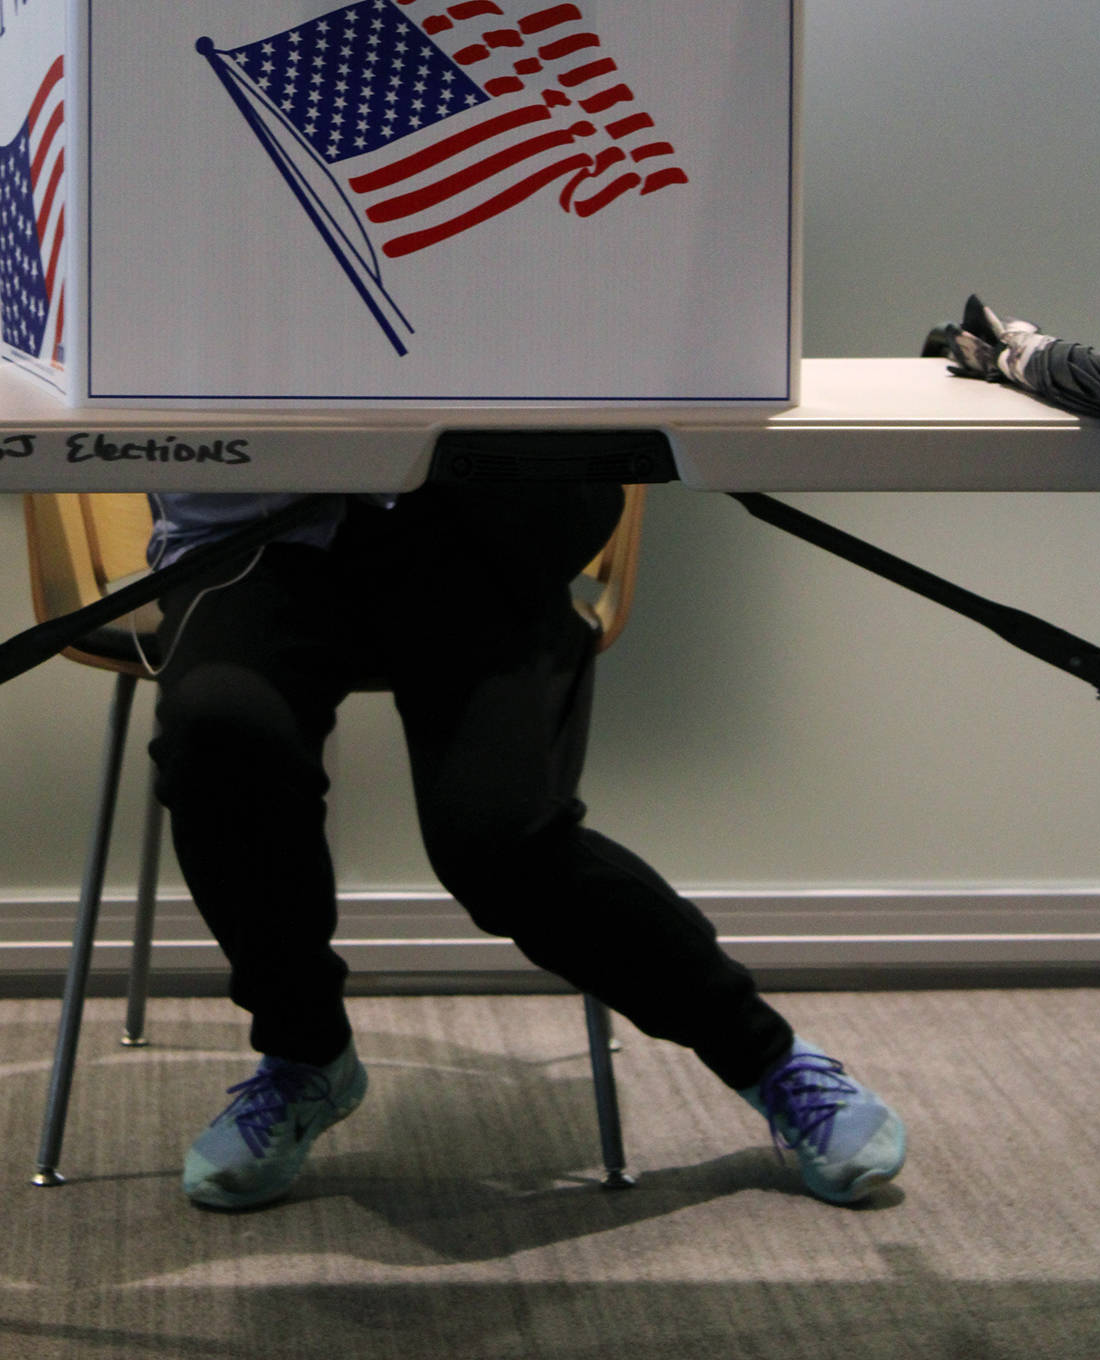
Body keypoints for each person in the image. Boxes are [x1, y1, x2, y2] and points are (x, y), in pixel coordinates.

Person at [144, 482, 906, 1212]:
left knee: (502, 842)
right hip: (256, 541)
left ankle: (768, 1058)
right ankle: (304, 1052)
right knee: (220, 735)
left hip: (471, 536)